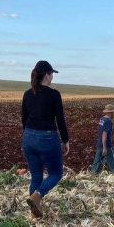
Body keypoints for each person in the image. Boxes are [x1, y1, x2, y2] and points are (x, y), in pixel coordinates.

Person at [21, 60, 69, 218]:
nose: (52, 78)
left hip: (28, 136)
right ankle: (37, 195)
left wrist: (30, 135)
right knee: (56, 173)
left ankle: (35, 213)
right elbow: (60, 120)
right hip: (47, 137)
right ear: (47, 76)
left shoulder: (27, 94)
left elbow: (24, 118)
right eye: (51, 74)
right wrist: (65, 140)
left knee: (36, 175)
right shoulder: (54, 95)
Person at [91, 104, 114, 173]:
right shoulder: (108, 121)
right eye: (113, 112)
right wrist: (105, 147)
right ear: (111, 112)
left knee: (96, 163)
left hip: (99, 144)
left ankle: (92, 175)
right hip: (106, 146)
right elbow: (104, 134)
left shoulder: (102, 119)